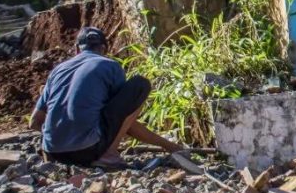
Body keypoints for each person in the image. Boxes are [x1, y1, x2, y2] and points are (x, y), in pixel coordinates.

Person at [29, 26, 184, 168]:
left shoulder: (58, 70)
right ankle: (108, 155)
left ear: (76, 49)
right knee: (140, 85)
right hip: (87, 151)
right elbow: (123, 121)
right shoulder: (109, 66)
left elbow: (34, 122)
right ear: (104, 48)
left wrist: (60, 138)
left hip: (54, 154)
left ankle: (67, 151)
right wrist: (170, 146)